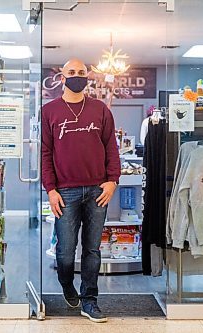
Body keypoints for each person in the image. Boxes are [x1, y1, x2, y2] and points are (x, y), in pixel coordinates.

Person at [42, 58, 121, 323]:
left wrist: (112, 181)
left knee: (92, 250)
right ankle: (66, 285)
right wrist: (51, 190)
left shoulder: (100, 110)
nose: (77, 76)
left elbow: (112, 147)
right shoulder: (49, 111)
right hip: (65, 192)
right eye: (71, 72)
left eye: (81, 72)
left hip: (98, 190)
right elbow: (45, 153)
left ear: (88, 77)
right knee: (65, 252)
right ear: (62, 78)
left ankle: (90, 300)